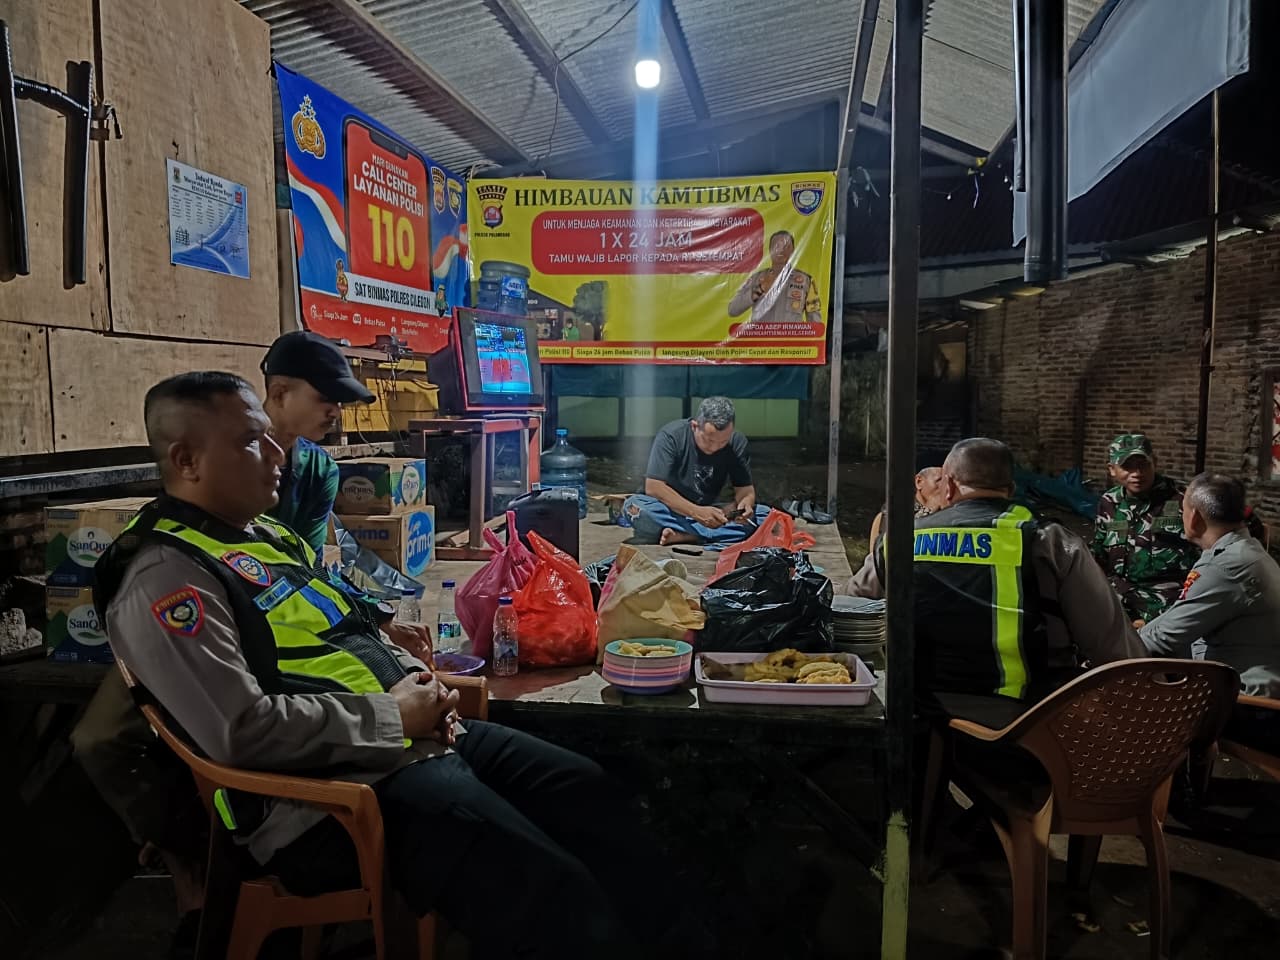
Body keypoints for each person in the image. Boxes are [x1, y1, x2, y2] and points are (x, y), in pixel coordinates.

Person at [93, 372, 681, 960]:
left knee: (592, 798)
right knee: (553, 894)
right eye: (251, 441)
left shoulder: (263, 533)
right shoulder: (167, 577)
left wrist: (422, 688)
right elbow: (240, 730)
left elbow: (349, 633)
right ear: (187, 460)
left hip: (410, 742)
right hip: (328, 801)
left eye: (269, 436)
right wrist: (395, 715)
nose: (277, 453)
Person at [844, 437, 1144, 721]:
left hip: (919, 711)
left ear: (949, 486)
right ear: (1010, 489)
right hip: (1028, 723)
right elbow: (1116, 649)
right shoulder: (1050, 542)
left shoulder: (902, 538)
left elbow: (849, 605)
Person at [1141, 473, 1280, 697]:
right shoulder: (1245, 550)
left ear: (1194, 517)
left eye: (1183, 510)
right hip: (1235, 685)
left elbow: (1165, 639)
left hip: (1243, 701)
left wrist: (1110, 648)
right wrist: (1134, 633)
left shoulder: (1226, 567)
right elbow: (1174, 619)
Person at [623, 396, 768, 548]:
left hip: (712, 511)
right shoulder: (671, 436)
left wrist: (744, 506)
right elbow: (654, 487)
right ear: (694, 426)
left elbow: (745, 490)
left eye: (723, 442)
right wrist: (696, 512)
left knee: (764, 515)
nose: (715, 447)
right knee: (634, 507)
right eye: (709, 440)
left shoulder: (737, 442)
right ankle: (707, 535)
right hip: (671, 509)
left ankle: (687, 535)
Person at [1092, 433, 1198, 623]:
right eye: (1127, 467)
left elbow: (1208, 554)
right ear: (1112, 470)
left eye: (1143, 465)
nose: (1137, 473)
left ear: (1154, 463)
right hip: (1119, 598)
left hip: (1169, 602)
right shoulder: (1109, 502)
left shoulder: (1183, 499)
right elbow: (1099, 554)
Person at [727, 229, 823, 327]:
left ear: (793, 250)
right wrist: (760, 289)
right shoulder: (757, 278)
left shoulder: (806, 281)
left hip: (790, 337)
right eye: (777, 246)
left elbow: (815, 323)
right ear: (770, 250)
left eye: (786, 247)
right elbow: (732, 310)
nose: (781, 250)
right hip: (761, 336)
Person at [868, 466, 947, 546]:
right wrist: (928, 511)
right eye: (939, 480)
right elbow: (880, 549)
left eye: (947, 481)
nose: (946, 486)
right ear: (919, 482)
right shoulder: (890, 515)